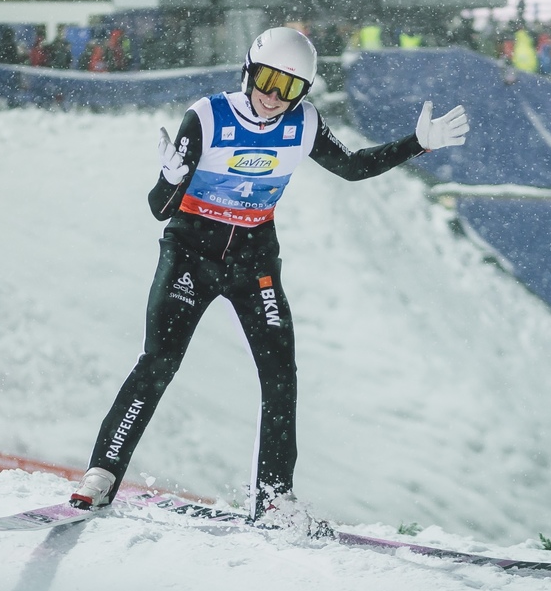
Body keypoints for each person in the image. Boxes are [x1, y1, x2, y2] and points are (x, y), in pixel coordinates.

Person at [69, 27, 469, 523]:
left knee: (280, 375)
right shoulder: (207, 116)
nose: (274, 97)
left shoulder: (304, 122)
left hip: (254, 260)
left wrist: (417, 145)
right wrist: (170, 180)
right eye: (267, 81)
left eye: (290, 87)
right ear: (248, 72)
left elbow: (351, 167)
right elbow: (160, 209)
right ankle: (102, 473)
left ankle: (275, 497)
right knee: (159, 363)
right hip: (191, 252)